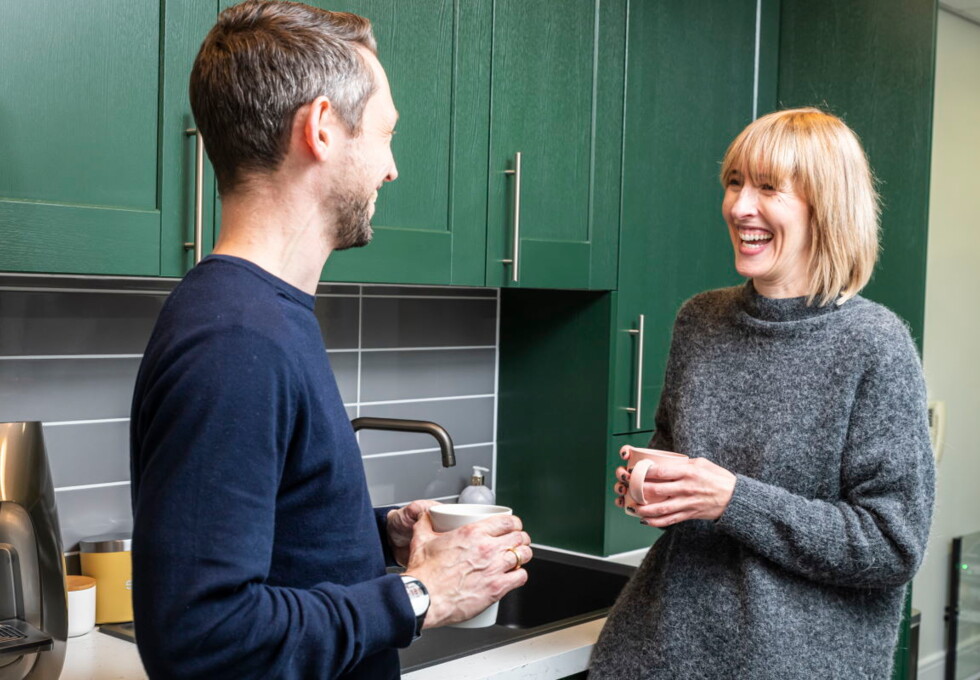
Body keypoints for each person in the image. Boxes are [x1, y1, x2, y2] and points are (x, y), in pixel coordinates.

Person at [129, 2, 532, 678]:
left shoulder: (262, 316)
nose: (391, 168)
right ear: (320, 128)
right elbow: (201, 639)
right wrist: (418, 596)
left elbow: (272, 544)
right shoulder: (235, 340)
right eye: (384, 133)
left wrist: (376, 533)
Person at [589, 108, 935, 678]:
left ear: (825, 206)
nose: (739, 206)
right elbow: (680, 465)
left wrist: (732, 500)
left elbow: (891, 545)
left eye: (768, 188)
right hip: (658, 652)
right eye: (734, 183)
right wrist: (650, 488)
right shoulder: (699, 320)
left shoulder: (875, 344)